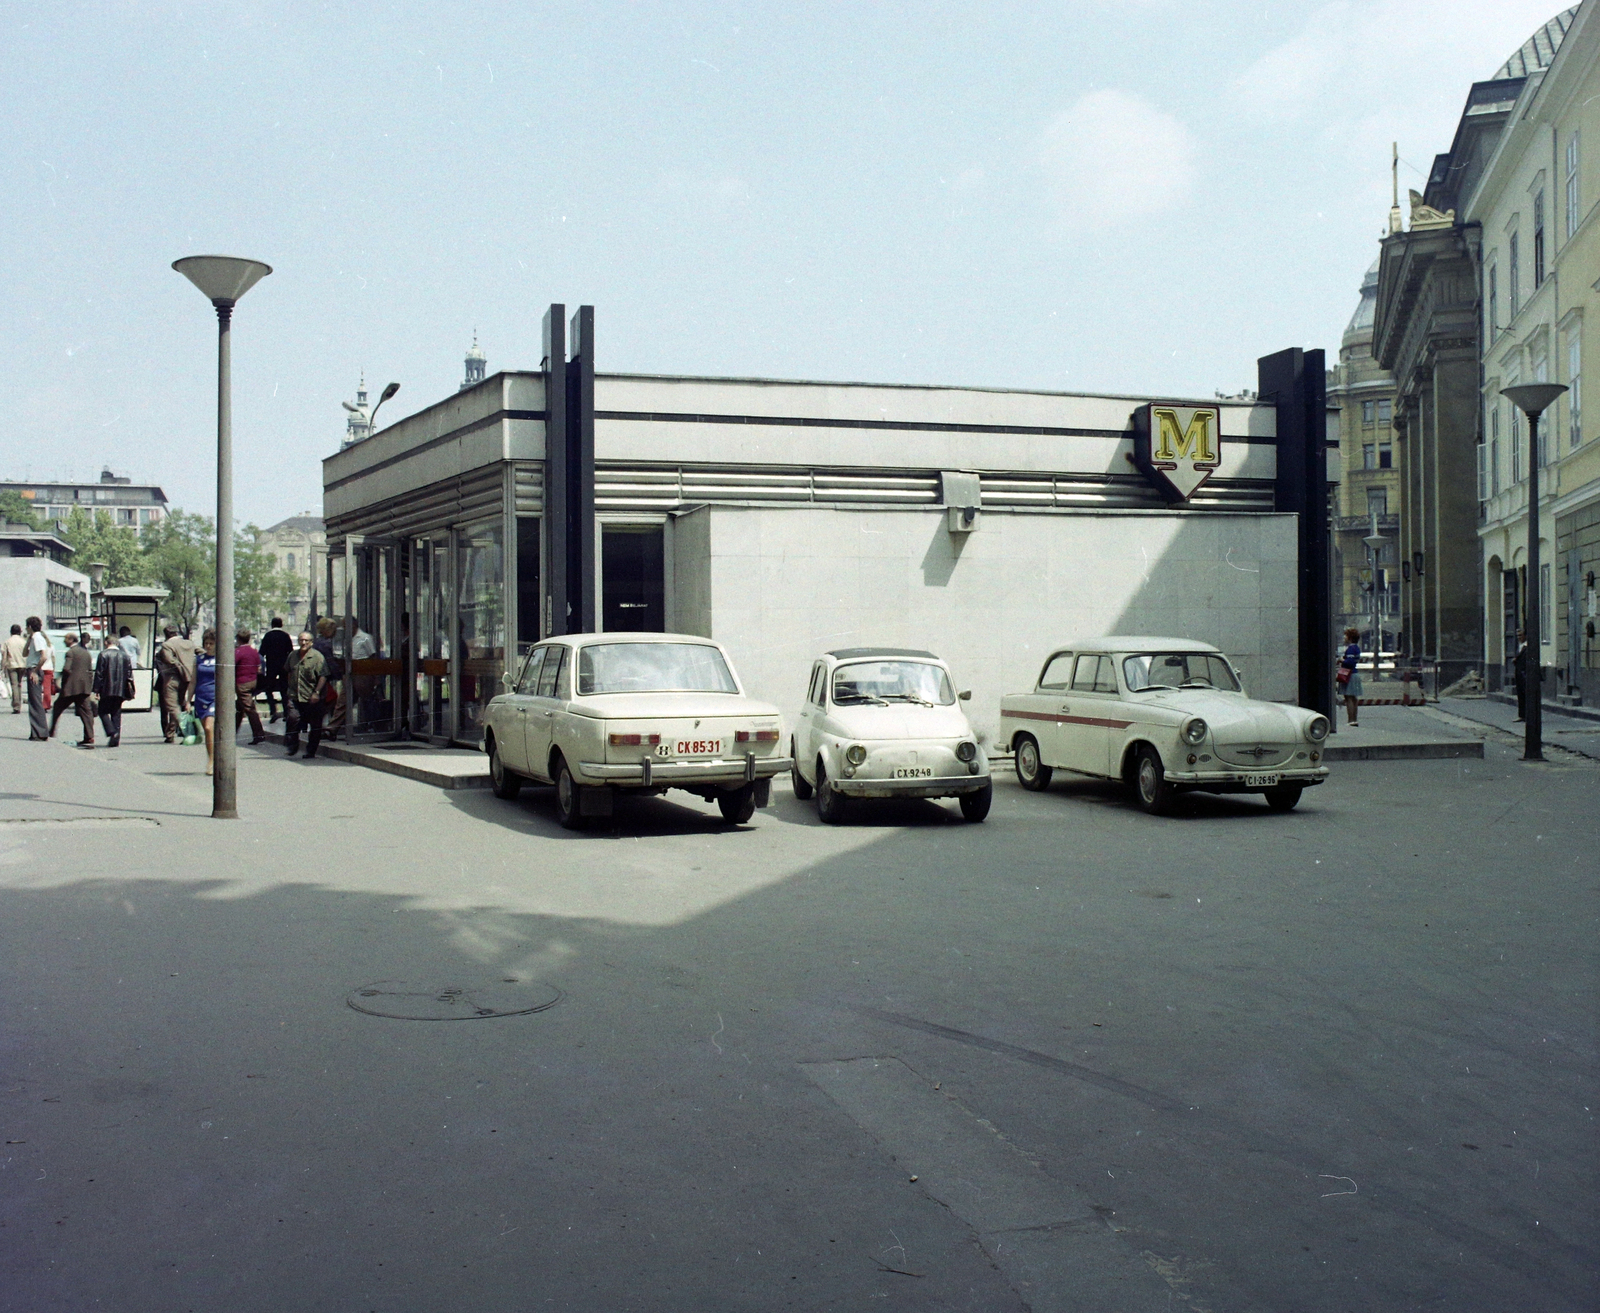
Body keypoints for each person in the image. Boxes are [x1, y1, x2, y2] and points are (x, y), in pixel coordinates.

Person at [284, 630, 330, 759]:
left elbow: (323, 676)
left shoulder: (317, 657)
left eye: (306, 640)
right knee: (293, 718)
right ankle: (292, 745)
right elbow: (288, 672)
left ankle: (311, 751)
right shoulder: (293, 656)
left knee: (315, 725)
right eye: (301, 640)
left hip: (312, 697)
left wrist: (316, 693)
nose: (303, 643)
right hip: (295, 695)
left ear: (311, 642)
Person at [48, 632, 95, 746]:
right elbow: (89, 670)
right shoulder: (86, 653)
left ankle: (51, 731)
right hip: (83, 688)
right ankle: (89, 736)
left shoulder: (70, 652)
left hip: (71, 688)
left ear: (71, 640)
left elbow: (67, 669)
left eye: (65, 639)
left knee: (58, 707)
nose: (64, 641)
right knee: (86, 712)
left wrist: (61, 683)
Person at [155, 625, 197, 743]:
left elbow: (169, 660)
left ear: (166, 635)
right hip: (186, 680)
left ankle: (189, 730)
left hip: (172, 679)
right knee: (178, 704)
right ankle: (170, 734)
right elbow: (201, 651)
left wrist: (181, 668)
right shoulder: (189, 643)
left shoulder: (166, 645)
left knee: (172, 706)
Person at [93, 633, 133, 747]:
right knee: (116, 713)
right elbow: (129, 674)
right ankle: (115, 740)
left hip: (107, 688)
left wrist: (96, 689)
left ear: (106, 642)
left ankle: (112, 731)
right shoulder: (125, 656)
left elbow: (99, 674)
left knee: (102, 711)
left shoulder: (103, 655)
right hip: (120, 689)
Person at [257, 617, 293, 723]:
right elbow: (290, 652)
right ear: (281, 625)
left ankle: (273, 710)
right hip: (284, 666)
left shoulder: (268, 636)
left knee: (269, 689)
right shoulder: (286, 636)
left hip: (271, 666)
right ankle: (286, 712)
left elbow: (261, 652)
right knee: (284, 689)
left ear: (272, 625)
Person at [234, 628, 265, 744]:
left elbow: (231, 665)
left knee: (249, 709)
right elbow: (259, 666)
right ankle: (232, 732)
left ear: (238, 639)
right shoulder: (253, 651)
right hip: (253, 681)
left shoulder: (238, 652)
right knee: (240, 707)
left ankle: (259, 734)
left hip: (242, 682)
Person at [194, 629, 218, 775]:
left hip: (214, 698)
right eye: (206, 643)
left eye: (211, 643)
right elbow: (193, 680)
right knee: (207, 731)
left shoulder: (221, 659)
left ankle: (212, 761)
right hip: (200, 697)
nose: (208, 646)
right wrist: (187, 698)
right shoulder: (199, 659)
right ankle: (211, 755)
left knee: (209, 727)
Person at [24, 616, 50, 740]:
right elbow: (24, 653)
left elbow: (43, 656)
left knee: (35, 702)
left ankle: (40, 732)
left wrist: (35, 671)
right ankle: (37, 731)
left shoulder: (38, 638)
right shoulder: (34, 638)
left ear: (29, 626)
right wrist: (28, 641)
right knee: (33, 701)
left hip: (34, 669)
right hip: (32, 668)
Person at [1336, 626, 1363, 727]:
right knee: (1354, 697)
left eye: (1345, 636)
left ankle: (1351, 720)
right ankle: (1354, 719)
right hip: (1355, 674)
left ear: (1350, 637)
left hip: (1349, 675)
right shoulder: (1356, 648)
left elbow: (1350, 662)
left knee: (1349, 698)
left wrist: (1342, 660)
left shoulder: (1350, 649)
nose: (1344, 638)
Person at [2, 623, 25, 714]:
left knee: (14, 685)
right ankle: (19, 703)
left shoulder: (7, 642)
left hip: (12, 665)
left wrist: (3, 667)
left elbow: (4, 656)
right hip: (22, 665)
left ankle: (16, 705)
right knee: (19, 684)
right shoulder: (23, 641)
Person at [1513, 629, 1528, 721]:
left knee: (1526, 694)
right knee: (1520, 695)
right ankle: (1522, 715)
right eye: (1517, 635)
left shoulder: (1527, 647)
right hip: (1519, 673)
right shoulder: (1519, 646)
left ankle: (1528, 715)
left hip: (1525, 673)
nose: (1519, 637)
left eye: (1520, 635)